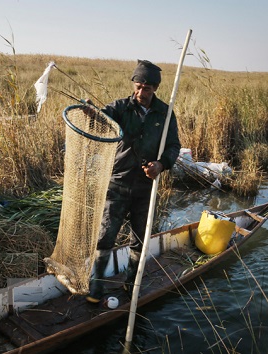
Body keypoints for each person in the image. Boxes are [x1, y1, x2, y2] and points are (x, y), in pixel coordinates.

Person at [86, 59, 181, 303]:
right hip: (118, 182)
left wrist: (160, 165)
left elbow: (173, 146)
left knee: (139, 237)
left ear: (155, 89)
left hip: (146, 186)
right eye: (138, 87)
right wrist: (92, 114)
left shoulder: (165, 114)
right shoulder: (120, 108)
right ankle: (96, 287)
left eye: (146, 89)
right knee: (106, 235)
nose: (141, 93)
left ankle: (131, 283)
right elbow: (102, 120)